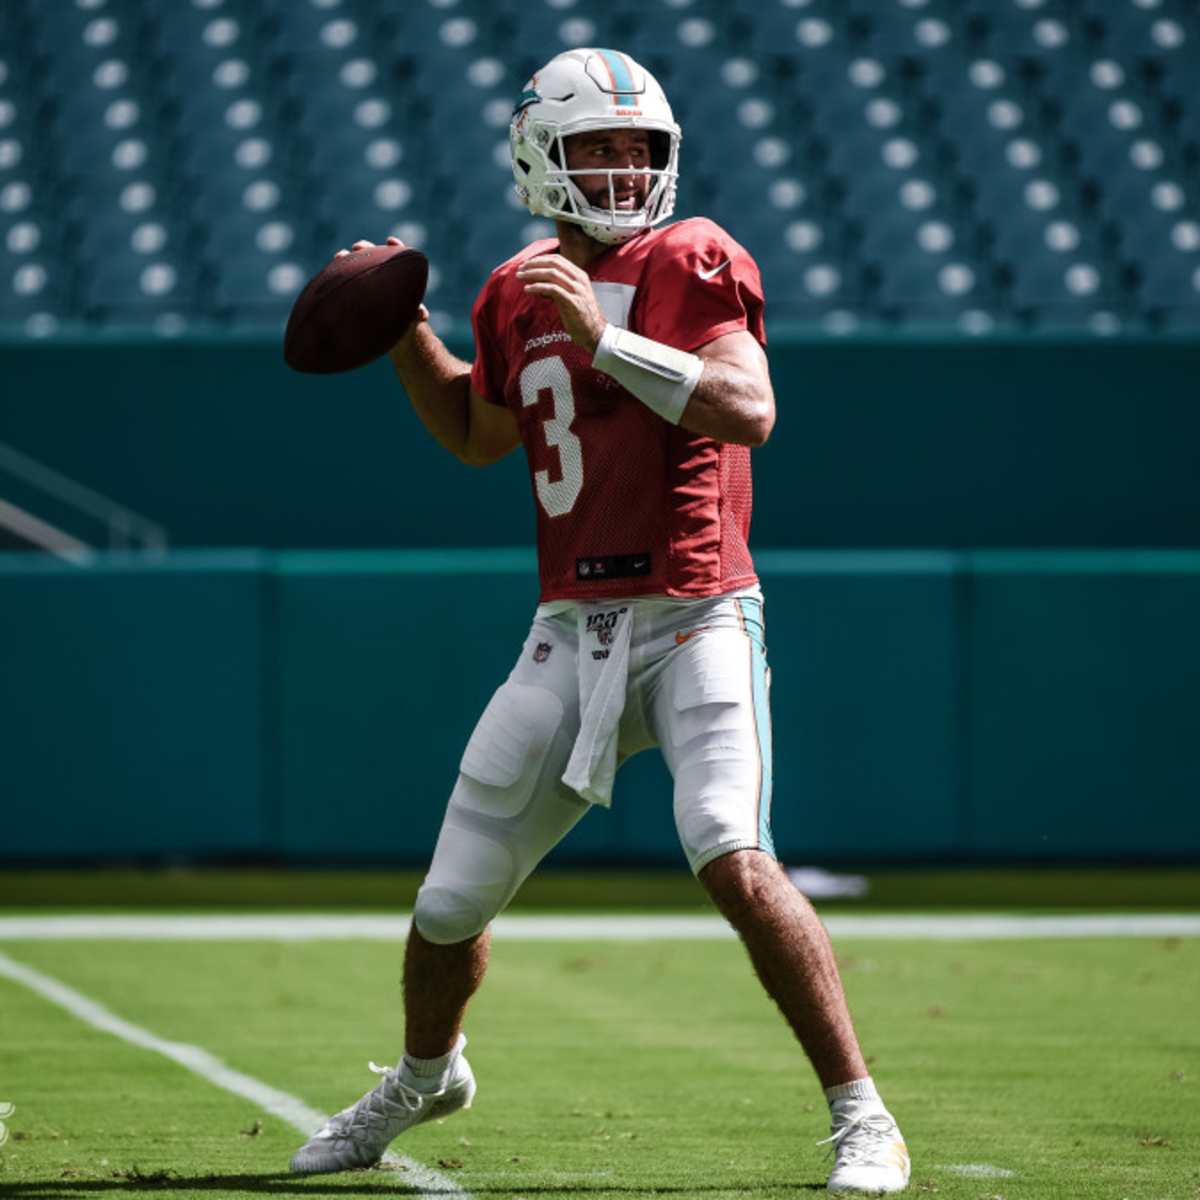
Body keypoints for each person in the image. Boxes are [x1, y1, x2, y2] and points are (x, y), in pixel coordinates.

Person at [289, 48, 910, 1195]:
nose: (624, 171)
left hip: (694, 609)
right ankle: (428, 1075)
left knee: (732, 850)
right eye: (597, 149)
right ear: (540, 158)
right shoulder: (516, 284)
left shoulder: (694, 253)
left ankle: (863, 1115)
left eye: (640, 149)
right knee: (446, 905)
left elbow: (751, 410)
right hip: (570, 627)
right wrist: (406, 337)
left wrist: (607, 338)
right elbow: (480, 436)